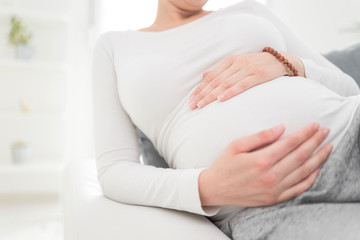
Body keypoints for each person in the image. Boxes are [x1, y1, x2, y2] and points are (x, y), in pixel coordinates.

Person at [92, 0, 360, 239]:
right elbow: (113, 170)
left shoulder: (250, 11)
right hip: (264, 208)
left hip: (350, 130)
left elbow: (349, 88)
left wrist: (287, 63)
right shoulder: (114, 47)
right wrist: (207, 187)